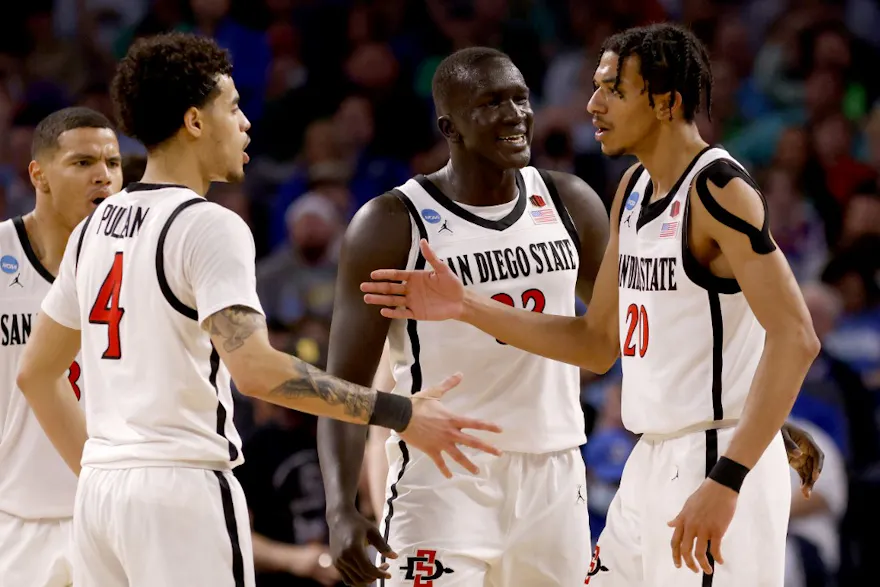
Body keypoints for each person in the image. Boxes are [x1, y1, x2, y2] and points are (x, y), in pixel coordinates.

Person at [14, 32, 501, 587]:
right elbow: (258, 372)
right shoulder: (210, 225)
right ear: (195, 121)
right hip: (180, 488)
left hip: (100, 496)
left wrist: (105, 470)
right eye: (234, 107)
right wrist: (400, 412)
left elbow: (36, 374)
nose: (245, 123)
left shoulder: (93, 227)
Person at [361, 24, 823, 587]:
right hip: (650, 459)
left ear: (665, 102)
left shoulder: (719, 190)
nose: (592, 104)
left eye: (613, 90)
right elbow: (595, 344)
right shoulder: (632, 189)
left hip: (714, 462)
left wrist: (736, 469)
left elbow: (797, 336)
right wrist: (466, 307)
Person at [318, 47, 611, 587]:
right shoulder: (391, 221)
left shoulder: (570, 201)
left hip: (554, 470)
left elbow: (622, 330)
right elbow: (346, 385)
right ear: (448, 126)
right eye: (490, 103)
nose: (514, 115)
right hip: (443, 475)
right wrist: (340, 507)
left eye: (520, 98)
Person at [0, 106, 123, 587]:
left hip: (107, 511)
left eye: (113, 164)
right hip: (14, 517)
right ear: (39, 174)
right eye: (83, 163)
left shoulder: (129, 261)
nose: (104, 177)